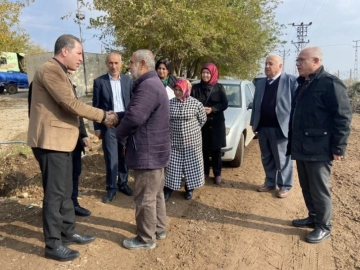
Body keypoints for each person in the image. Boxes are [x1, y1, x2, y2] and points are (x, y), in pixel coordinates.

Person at [27, 34, 118, 261]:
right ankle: (53, 245)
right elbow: (70, 104)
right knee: (55, 194)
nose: (81, 59)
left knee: (66, 191)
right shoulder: (50, 70)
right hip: (51, 142)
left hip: (63, 142)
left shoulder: (62, 72)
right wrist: (103, 115)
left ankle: (68, 231)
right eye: (79, 53)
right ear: (64, 51)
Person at [288, 47, 352, 243]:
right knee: (306, 186)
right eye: (297, 60)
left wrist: (338, 147)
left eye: (301, 60)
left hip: (320, 148)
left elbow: (343, 117)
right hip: (303, 146)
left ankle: (324, 226)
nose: (297, 63)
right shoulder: (303, 84)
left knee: (319, 188)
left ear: (316, 61)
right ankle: (313, 217)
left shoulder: (330, 84)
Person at [116, 50, 170, 250]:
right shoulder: (154, 84)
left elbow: (135, 118)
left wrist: (119, 135)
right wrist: (119, 115)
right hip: (156, 151)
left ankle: (146, 238)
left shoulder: (147, 86)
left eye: (131, 63)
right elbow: (137, 112)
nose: (128, 66)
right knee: (155, 194)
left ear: (143, 65)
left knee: (145, 197)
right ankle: (159, 229)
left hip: (147, 153)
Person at [250, 55, 297, 198]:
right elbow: (256, 105)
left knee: (282, 159)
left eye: (270, 64)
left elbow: (297, 106)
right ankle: (270, 182)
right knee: (267, 157)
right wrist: (253, 123)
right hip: (263, 127)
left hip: (281, 128)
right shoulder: (261, 83)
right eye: (266, 63)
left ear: (280, 66)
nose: (267, 66)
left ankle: (284, 186)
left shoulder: (290, 81)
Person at [93, 52, 133, 203]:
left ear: (121, 64)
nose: (114, 66)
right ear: (106, 64)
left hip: (125, 124)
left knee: (124, 155)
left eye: (116, 63)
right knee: (111, 157)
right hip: (108, 125)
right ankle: (111, 188)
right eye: (111, 63)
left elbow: (132, 103)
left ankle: (123, 183)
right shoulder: (99, 82)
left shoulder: (128, 81)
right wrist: (97, 127)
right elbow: (96, 106)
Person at [164, 79, 207, 201]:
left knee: (191, 167)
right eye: (176, 90)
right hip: (174, 142)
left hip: (192, 143)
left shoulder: (196, 104)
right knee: (173, 166)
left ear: (186, 90)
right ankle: (168, 189)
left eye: (180, 90)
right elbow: (166, 120)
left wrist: (191, 131)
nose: (177, 92)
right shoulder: (170, 103)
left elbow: (202, 120)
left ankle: (189, 188)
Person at [191, 63, 228, 184]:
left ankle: (217, 174)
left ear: (212, 74)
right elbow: (191, 102)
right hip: (201, 124)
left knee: (216, 150)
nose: (205, 75)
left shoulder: (219, 87)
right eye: (203, 72)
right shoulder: (196, 88)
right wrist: (200, 110)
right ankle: (205, 172)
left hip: (216, 124)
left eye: (208, 73)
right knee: (203, 149)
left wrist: (212, 109)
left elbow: (224, 104)